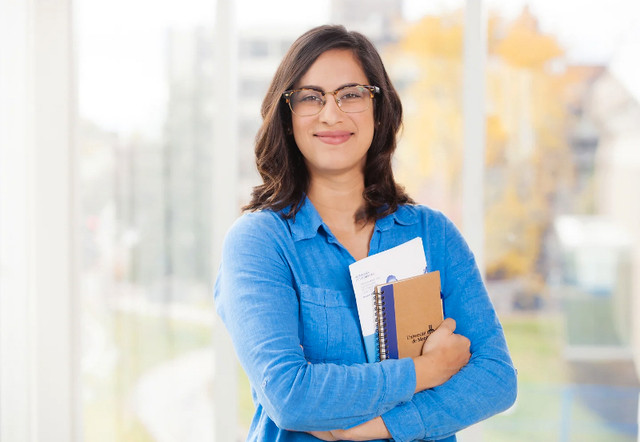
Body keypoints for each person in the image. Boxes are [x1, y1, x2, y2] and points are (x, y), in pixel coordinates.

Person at [214, 25, 517, 442]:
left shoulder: (433, 235)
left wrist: (368, 429)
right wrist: (427, 370)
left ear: (379, 108)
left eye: (351, 94)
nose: (331, 114)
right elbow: (289, 396)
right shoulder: (260, 242)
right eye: (310, 97)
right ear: (287, 117)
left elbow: (496, 379)